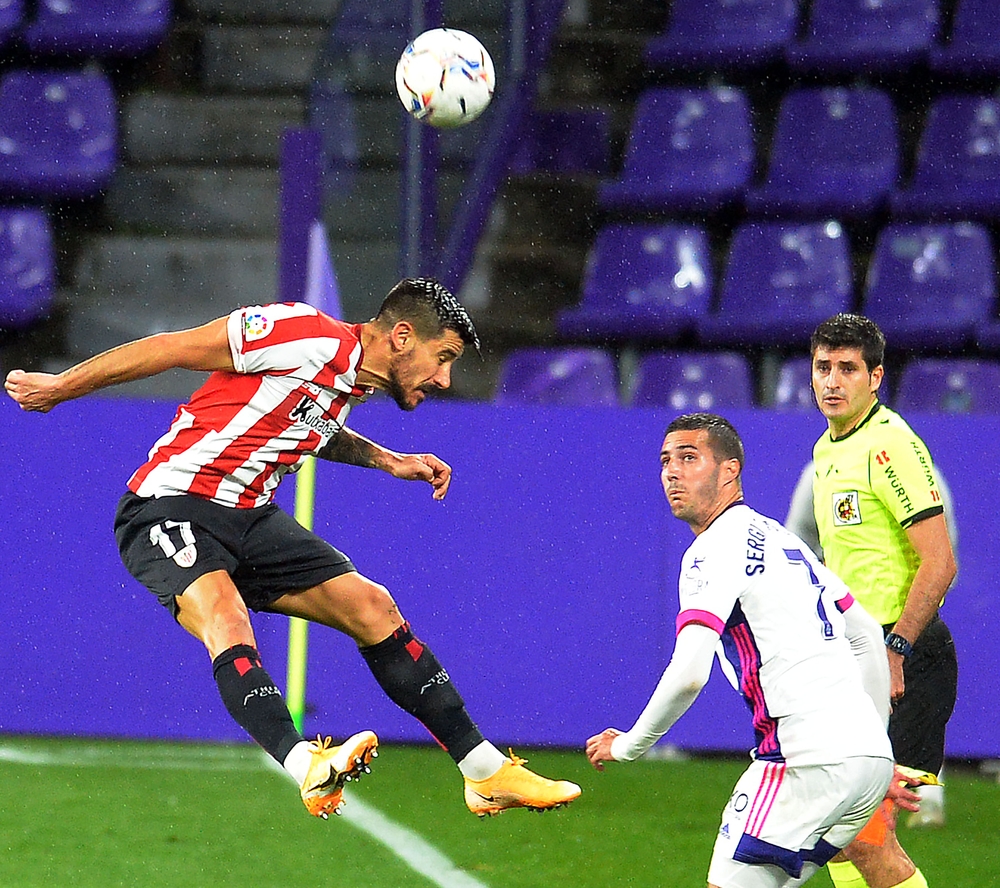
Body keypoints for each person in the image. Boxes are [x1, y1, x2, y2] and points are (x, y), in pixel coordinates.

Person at [4, 277, 581, 820]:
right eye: (444, 358)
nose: (444, 380)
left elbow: (311, 424)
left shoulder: (351, 381)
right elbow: (173, 346)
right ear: (403, 338)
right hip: (170, 503)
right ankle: (307, 765)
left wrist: (388, 460)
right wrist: (62, 387)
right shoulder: (302, 333)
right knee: (226, 616)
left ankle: (482, 771)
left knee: (373, 607)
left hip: (251, 516)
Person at [586, 412, 922, 888]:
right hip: (865, 763)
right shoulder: (784, 540)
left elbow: (689, 674)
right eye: (666, 461)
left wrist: (628, 745)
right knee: (868, 862)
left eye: (689, 457)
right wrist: (872, 748)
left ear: (730, 471)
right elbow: (865, 634)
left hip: (803, 759)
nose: (673, 472)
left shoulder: (711, 550)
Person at [807, 314, 958, 888]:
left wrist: (895, 650)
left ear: (876, 377)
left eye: (848, 369)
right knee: (839, 834)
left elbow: (940, 562)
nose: (833, 381)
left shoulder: (890, 443)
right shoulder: (827, 449)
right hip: (859, 658)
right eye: (824, 367)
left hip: (907, 656)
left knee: (869, 835)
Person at [784, 460, 956, 828]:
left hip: (905, 625)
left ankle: (924, 797)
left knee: (912, 717)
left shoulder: (914, 469)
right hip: (846, 628)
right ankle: (871, 810)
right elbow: (796, 542)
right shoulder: (820, 472)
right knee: (856, 730)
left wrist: (909, 621)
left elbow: (943, 555)